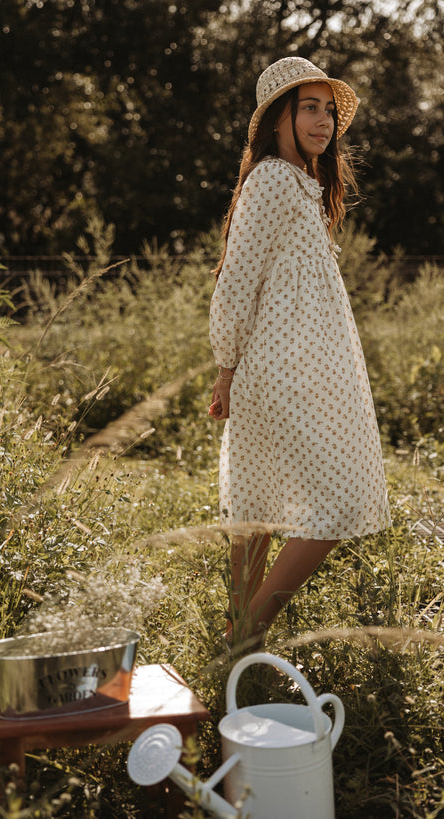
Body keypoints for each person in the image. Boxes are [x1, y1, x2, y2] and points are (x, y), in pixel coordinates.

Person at [208, 57, 390, 650]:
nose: (323, 121)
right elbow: (237, 280)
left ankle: (236, 635)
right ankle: (248, 637)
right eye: (308, 107)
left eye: (328, 111)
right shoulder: (269, 180)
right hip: (283, 370)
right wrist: (226, 366)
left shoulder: (301, 185)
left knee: (258, 500)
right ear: (277, 118)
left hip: (305, 366)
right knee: (337, 504)